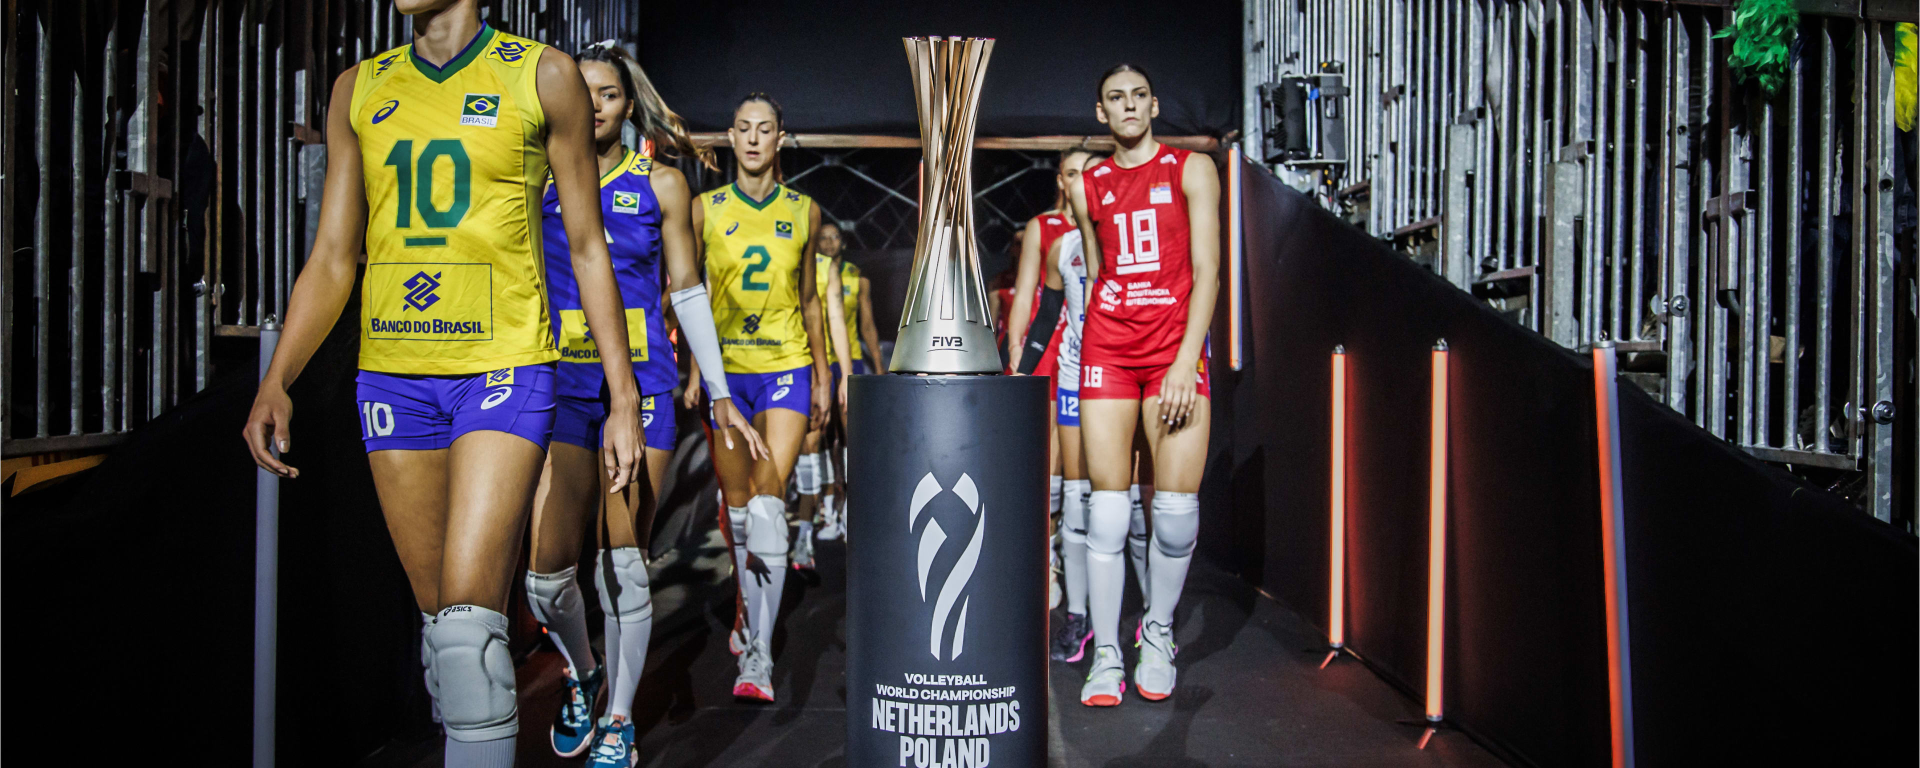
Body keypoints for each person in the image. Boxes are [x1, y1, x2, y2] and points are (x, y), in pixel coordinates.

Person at [241, 3, 644, 765]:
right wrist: (278, 377)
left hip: (504, 366)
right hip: (393, 377)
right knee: (442, 633)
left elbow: (588, 246)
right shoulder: (358, 87)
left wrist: (623, 397)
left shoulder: (542, 74)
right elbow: (334, 254)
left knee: (468, 638)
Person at [522, 42, 769, 766]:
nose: (594, 104)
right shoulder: (534, 177)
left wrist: (719, 392)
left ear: (627, 105)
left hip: (645, 388)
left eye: (608, 93)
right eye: (583, 91)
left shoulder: (661, 185)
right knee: (546, 579)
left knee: (624, 564)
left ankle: (619, 718)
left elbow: (687, 290)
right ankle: (584, 670)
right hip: (560, 384)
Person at [682, 92, 852, 702]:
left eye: (765, 129)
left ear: (780, 139)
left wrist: (823, 375)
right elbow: (692, 294)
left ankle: (758, 653)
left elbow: (809, 301)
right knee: (737, 508)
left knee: (766, 506)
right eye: (744, 128)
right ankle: (745, 605)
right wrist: (698, 371)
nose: (754, 139)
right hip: (727, 375)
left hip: (786, 368)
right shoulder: (704, 209)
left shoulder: (804, 211)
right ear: (730, 137)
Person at [1066, 64, 1220, 707]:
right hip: (1109, 350)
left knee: (1175, 518)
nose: (1128, 106)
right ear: (1101, 113)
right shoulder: (1087, 184)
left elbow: (1209, 272)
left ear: (1154, 105)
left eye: (1138, 96)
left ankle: (1156, 633)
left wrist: (1186, 361)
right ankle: (1106, 653)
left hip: (1172, 355)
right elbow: (1097, 271)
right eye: (1115, 98)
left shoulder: (1192, 168)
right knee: (1105, 512)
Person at [1007, 148, 1097, 618]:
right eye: (1071, 173)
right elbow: (1027, 293)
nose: (1079, 180)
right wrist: (1016, 348)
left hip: (1097, 351)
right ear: (1060, 179)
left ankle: (1078, 557)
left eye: (1086, 172)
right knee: (1050, 467)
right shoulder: (1044, 228)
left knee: (1084, 471)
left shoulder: (1106, 225)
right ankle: (1047, 565)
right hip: (1049, 352)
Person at [795, 220, 880, 545]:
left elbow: (867, 324)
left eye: (835, 237)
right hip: (813, 363)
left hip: (849, 361)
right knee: (817, 439)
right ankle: (828, 508)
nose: (829, 243)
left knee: (849, 437)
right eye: (823, 238)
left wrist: (879, 365)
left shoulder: (857, 278)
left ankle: (852, 510)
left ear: (843, 242)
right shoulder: (804, 270)